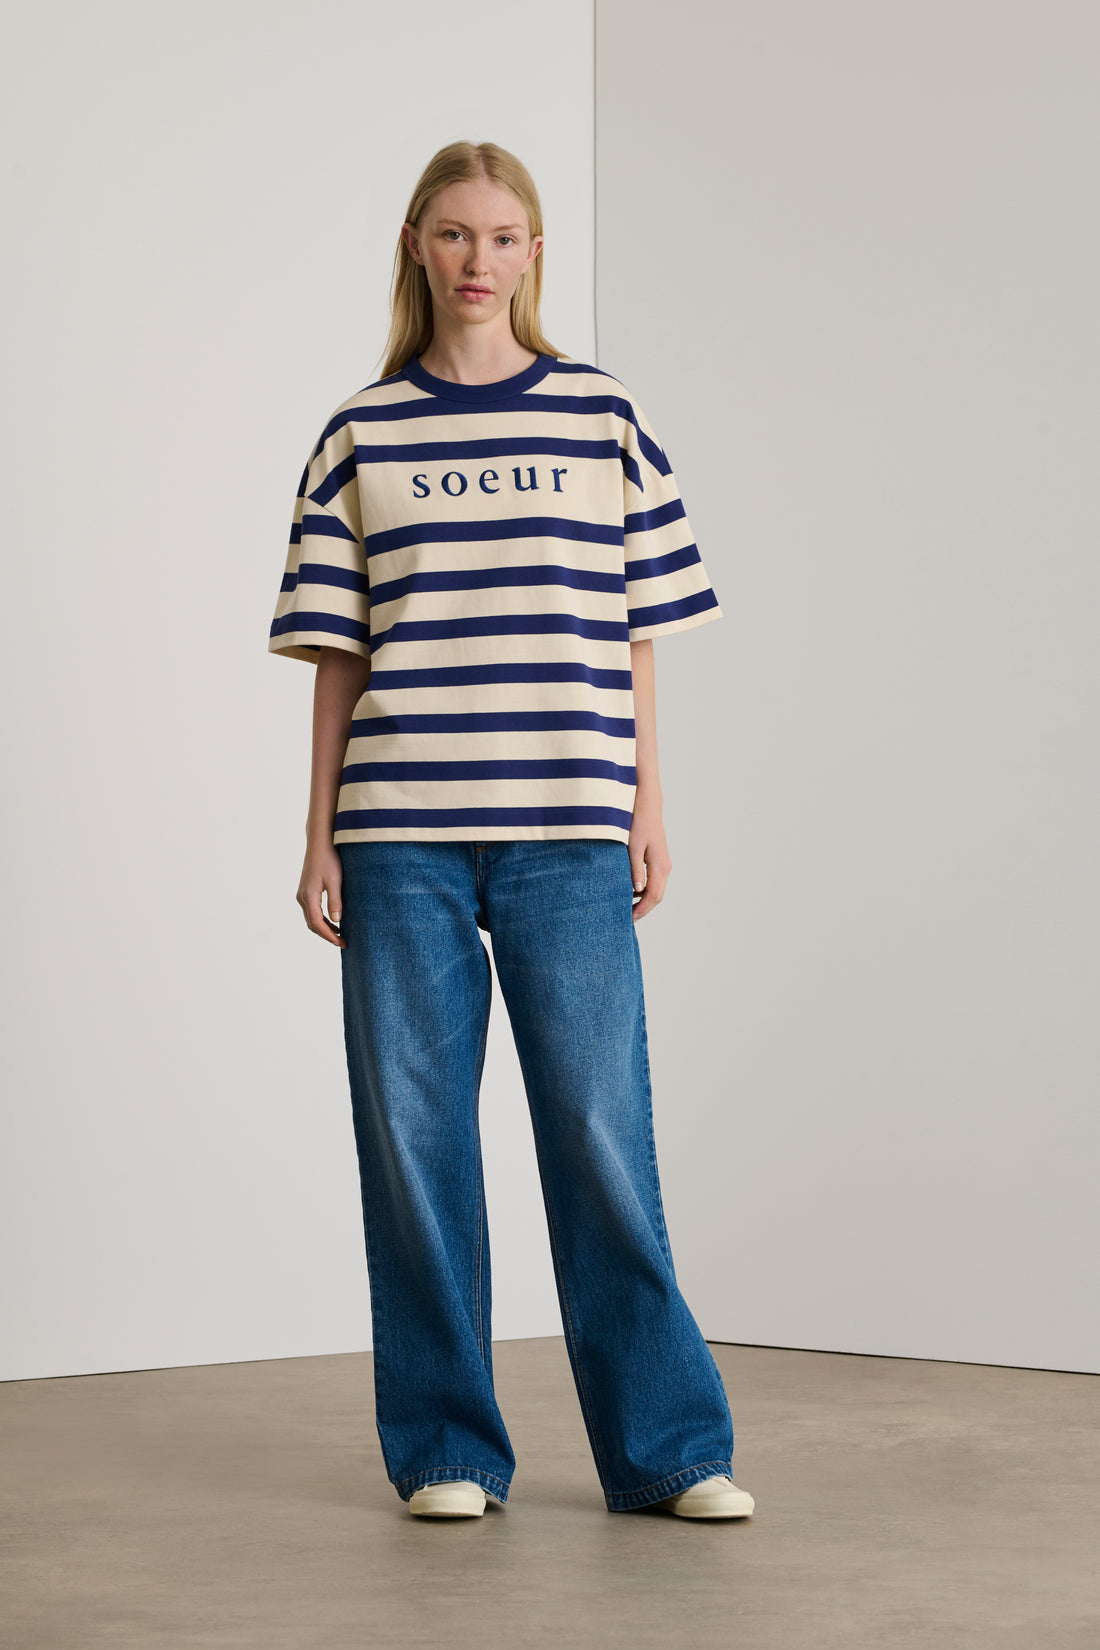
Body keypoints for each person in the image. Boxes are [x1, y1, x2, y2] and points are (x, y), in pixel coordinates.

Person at [268, 139, 755, 1524]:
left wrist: (647, 802)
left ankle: (669, 1450)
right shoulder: (360, 435)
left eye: (503, 236)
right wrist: (320, 832)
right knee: (415, 1140)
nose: (478, 260)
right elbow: (338, 655)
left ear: (535, 253)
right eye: (453, 234)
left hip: (568, 825)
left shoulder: (603, 416)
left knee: (600, 1129)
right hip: (401, 833)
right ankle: (446, 1450)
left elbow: (639, 630)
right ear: (415, 247)